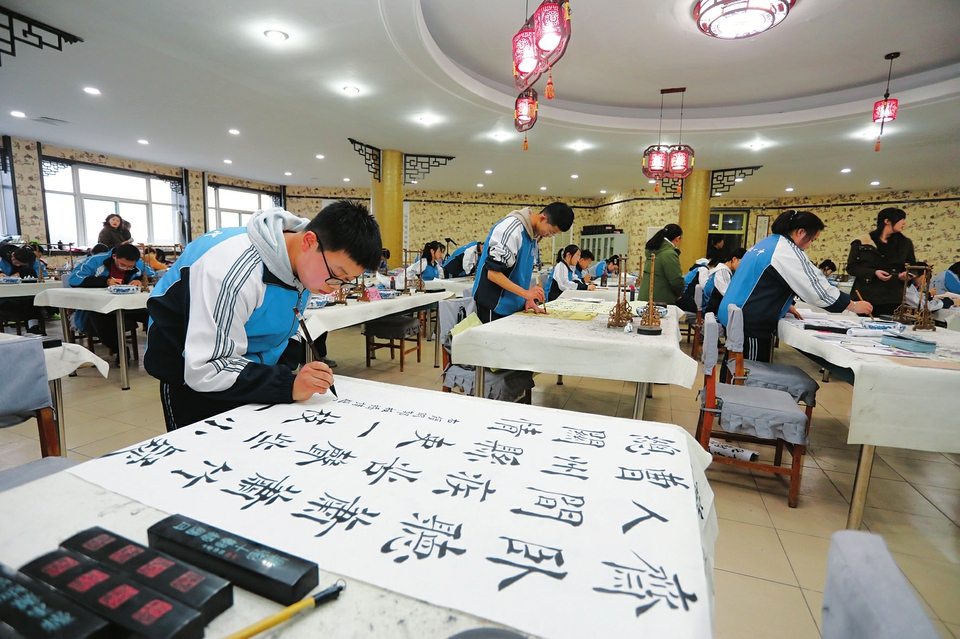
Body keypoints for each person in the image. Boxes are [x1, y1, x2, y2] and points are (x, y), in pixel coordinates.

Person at [145, 200, 381, 430]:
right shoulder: (232, 268)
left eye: (346, 281)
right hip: (193, 379)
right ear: (309, 241)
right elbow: (206, 368)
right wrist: (286, 385)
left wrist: (284, 369)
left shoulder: (306, 264)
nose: (335, 287)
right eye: (336, 275)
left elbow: (289, 319)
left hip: (247, 374)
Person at [720, 210, 872, 362]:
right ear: (800, 232)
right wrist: (852, 305)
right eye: (812, 240)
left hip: (735, 315)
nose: (810, 245)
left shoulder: (766, 244)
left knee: (733, 364)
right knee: (749, 369)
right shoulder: (786, 251)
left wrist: (785, 305)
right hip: (749, 322)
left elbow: (761, 283)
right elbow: (816, 289)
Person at [472, 202, 574, 323]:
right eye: (551, 231)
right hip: (494, 306)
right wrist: (526, 293)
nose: (549, 236)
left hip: (513, 306)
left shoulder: (532, 237)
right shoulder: (511, 230)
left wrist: (528, 299)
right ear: (542, 218)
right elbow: (493, 274)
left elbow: (523, 272)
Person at [67, 244, 155, 362]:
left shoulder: (138, 263)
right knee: (100, 319)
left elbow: (152, 276)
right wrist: (106, 281)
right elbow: (74, 280)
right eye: (122, 265)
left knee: (154, 314)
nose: (125, 269)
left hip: (128, 307)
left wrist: (140, 281)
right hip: (101, 307)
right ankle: (120, 351)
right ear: (114, 256)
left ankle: (158, 350)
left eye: (130, 267)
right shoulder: (96, 261)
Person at [847, 207, 916, 315]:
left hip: (893, 298)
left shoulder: (905, 243)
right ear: (887, 221)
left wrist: (906, 275)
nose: (904, 222)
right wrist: (874, 272)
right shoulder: (862, 242)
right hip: (865, 296)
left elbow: (912, 266)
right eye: (900, 219)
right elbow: (851, 268)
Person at [638, 224, 684, 304]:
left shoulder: (653, 250)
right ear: (677, 238)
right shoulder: (669, 254)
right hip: (660, 299)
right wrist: (679, 293)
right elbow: (676, 280)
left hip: (645, 296)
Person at [702, 247, 746, 315]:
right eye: (743, 262)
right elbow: (727, 294)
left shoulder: (725, 270)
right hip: (711, 313)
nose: (743, 266)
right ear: (734, 259)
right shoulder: (722, 271)